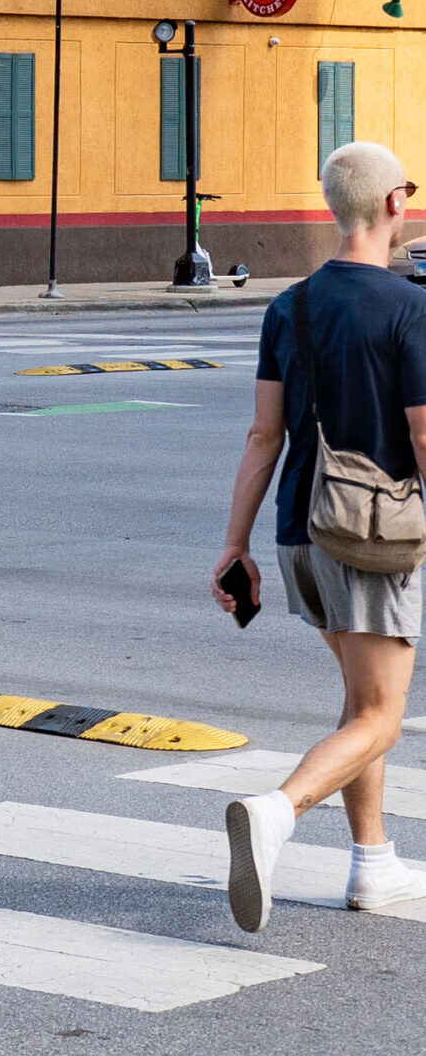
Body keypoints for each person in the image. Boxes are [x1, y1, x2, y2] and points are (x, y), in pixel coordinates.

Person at [214, 140, 426, 930]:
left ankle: (372, 862)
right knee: (380, 714)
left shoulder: (289, 306)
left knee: (360, 699)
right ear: (394, 203)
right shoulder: (408, 307)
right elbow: (423, 434)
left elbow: (261, 435)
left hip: (297, 534)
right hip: (370, 535)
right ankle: (277, 811)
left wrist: (233, 545)